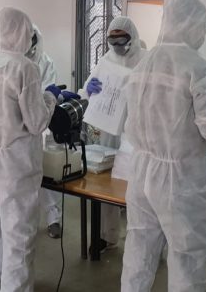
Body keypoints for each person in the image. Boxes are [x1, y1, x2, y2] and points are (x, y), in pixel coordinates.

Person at [120, 0, 206, 292]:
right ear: (192, 24)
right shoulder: (196, 66)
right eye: (203, 27)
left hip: (140, 172)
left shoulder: (143, 63)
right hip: (179, 181)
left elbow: (131, 123)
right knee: (186, 257)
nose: (203, 34)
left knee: (138, 252)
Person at [0, 7, 62, 292]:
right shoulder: (25, 68)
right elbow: (36, 123)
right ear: (24, 32)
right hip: (15, 163)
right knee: (18, 237)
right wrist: (50, 97)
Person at [80, 16, 147, 252]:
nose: (117, 46)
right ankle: (107, 236)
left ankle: (145, 241)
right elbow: (88, 89)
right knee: (107, 183)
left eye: (121, 40)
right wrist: (88, 90)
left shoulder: (145, 60)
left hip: (136, 132)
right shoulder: (106, 60)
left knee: (138, 185)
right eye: (112, 41)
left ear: (132, 37)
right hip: (110, 130)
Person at [28, 25, 64, 239]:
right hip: (18, 131)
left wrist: (49, 96)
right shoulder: (11, 63)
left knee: (47, 173)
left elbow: (47, 94)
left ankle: (53, 219)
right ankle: (27, 222)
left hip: (42, 125)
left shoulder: (45, 62)